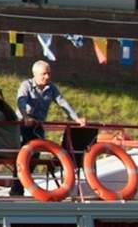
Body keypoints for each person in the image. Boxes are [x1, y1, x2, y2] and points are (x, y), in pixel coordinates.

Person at [13, 60, 86, 196]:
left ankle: (21, 185)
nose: (47, 77)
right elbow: (21, 101)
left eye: (49, 74)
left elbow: (62, 102)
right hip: (23, 126)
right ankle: (16, 189)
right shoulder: (26, 85)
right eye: (44, 74)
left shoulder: (51, 88)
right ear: (35, 74)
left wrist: (76, 118)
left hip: (38, 127)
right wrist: (26, 117)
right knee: (22, 156)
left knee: (35, 156)